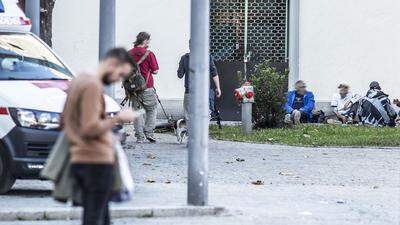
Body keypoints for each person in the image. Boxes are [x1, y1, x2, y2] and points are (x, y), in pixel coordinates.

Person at [62, 48, 138, 225]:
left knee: (98, 215)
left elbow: (66, 121)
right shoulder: (92, 86)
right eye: (120, 74)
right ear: (112, 63)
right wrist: (119, 118)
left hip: (81, 157)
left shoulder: (78, 80)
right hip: (95, 160)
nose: (119, 80)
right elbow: (90, 127)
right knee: (96, 217)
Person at [128, 32, 159, 143]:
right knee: (151, 109)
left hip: (132, 89)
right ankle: (149, 132)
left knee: (137, 112)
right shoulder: (149, 54)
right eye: (148, 41)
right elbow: (155, 71)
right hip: (147, 87)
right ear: (145, 40)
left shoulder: (128, 54)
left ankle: (140, 137)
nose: (149, 43)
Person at [177, 50, 222, 122]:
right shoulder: (206, 57)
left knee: (188, 115)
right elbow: (214, 72)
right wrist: (218, 88)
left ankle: (190, 132)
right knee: (204, 114)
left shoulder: (185, 58)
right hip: (203, 91)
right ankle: (202, 132)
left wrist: (182, 66)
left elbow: (180, 75)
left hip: (189, 91)